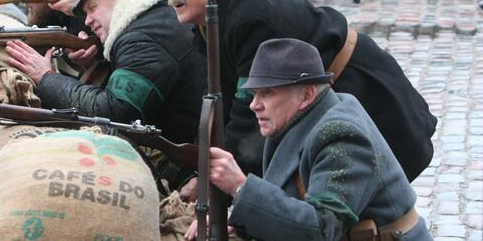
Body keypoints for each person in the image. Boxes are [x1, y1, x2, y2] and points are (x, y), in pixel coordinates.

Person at [153, 0, 436, 185]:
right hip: (324, 99)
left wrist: (224, 185)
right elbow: (224, 101)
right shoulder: (209, 20)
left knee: (370, 195)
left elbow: (249, 111)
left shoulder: (248, 19)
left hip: (360, 87)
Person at [184, 38, 431, 241]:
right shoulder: (294, 120)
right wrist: (239, 216)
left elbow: (323, 230)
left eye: (267, 93)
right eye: (255, 93)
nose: (254, 105)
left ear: (307, 95)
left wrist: (239, 187)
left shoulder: (342, 135)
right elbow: (290, 203)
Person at [5, 0, 205, 166]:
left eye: (92, 8)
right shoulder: (154, 18)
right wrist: (99, 53)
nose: (88, 21)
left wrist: (46, 77)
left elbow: (113, 112)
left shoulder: (141, 40)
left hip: (177, 161)